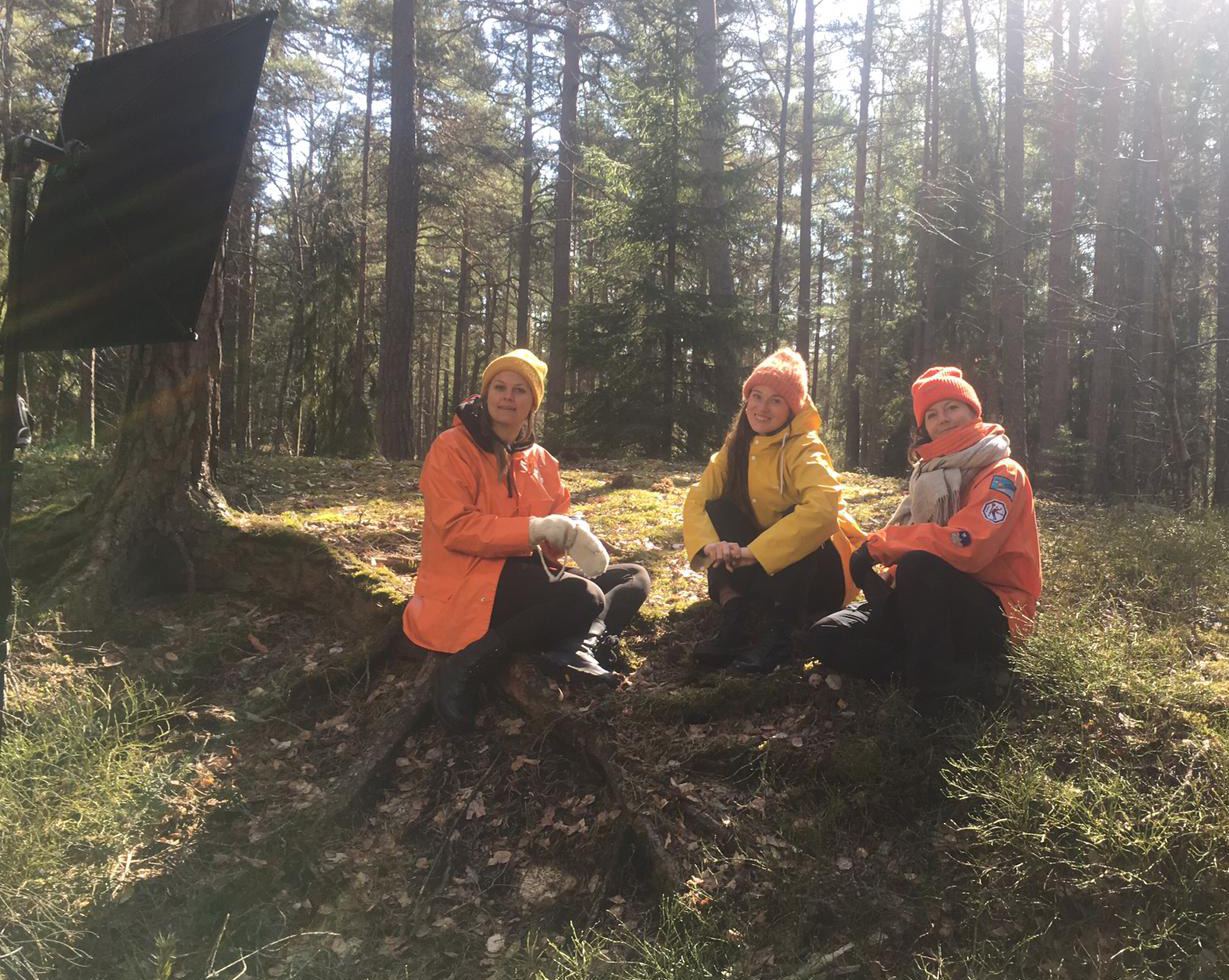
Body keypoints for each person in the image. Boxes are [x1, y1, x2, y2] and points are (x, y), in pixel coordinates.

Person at [403, 349, 651, 733]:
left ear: (532, 403)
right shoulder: (452, 448)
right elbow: (455, 528)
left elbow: (555, 530)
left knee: (633, 575)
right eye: (499, 387)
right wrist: (536, 529)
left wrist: (567, 536)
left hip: (523, 575)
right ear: (485, 395)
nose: (507, 397)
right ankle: (468, 663)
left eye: (519, 390)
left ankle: (577, 649)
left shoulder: (542, 462)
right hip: (467, 579)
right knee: (584, 597)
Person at [808, 366, 1042, 700]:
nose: (943, 419)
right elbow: (923, 536)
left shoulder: (1002, 473)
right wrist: (891, 574)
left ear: (973, 412)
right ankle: (939, 667)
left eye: (952, 407)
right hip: (928, 601)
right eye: (932, 414)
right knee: (826, 634)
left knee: (920, 565)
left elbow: (966, 545)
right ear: (925, 429)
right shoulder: (929, 474)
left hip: (997, 609)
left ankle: (939, 690)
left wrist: (881, 547)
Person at [682, 348, 866, 673]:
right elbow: (699, 497)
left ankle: (779, 637)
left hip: (820, 579)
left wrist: (755, 552)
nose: (762, 408)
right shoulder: (735, 445)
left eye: (776, 400)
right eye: (757, 395)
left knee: (800, 516)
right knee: (717, 507)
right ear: (746, 399)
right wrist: (710, 546)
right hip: (763, 573)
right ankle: (734, 615)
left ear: (792, 408)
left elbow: (824, 509)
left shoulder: (805, 448)